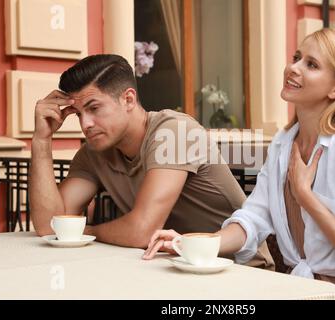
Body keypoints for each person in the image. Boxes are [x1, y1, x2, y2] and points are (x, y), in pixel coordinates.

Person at [143, 29, 335, 300]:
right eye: (296, 57)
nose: (293, 68)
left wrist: (306, 196)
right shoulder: (284, 143)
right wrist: (191, 245)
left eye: (311, 64)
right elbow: (253, 219)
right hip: (301, 290)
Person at [28, 54, 274, 270]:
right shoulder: (95, 152)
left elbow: (141, 230)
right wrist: (41, 140)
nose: (85, 124)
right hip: (167, 268)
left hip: (237, 270)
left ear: (128, 99)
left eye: (94, 108)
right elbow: (50, 226)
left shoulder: (175, 132)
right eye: (79, 114)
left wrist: (84, 232)